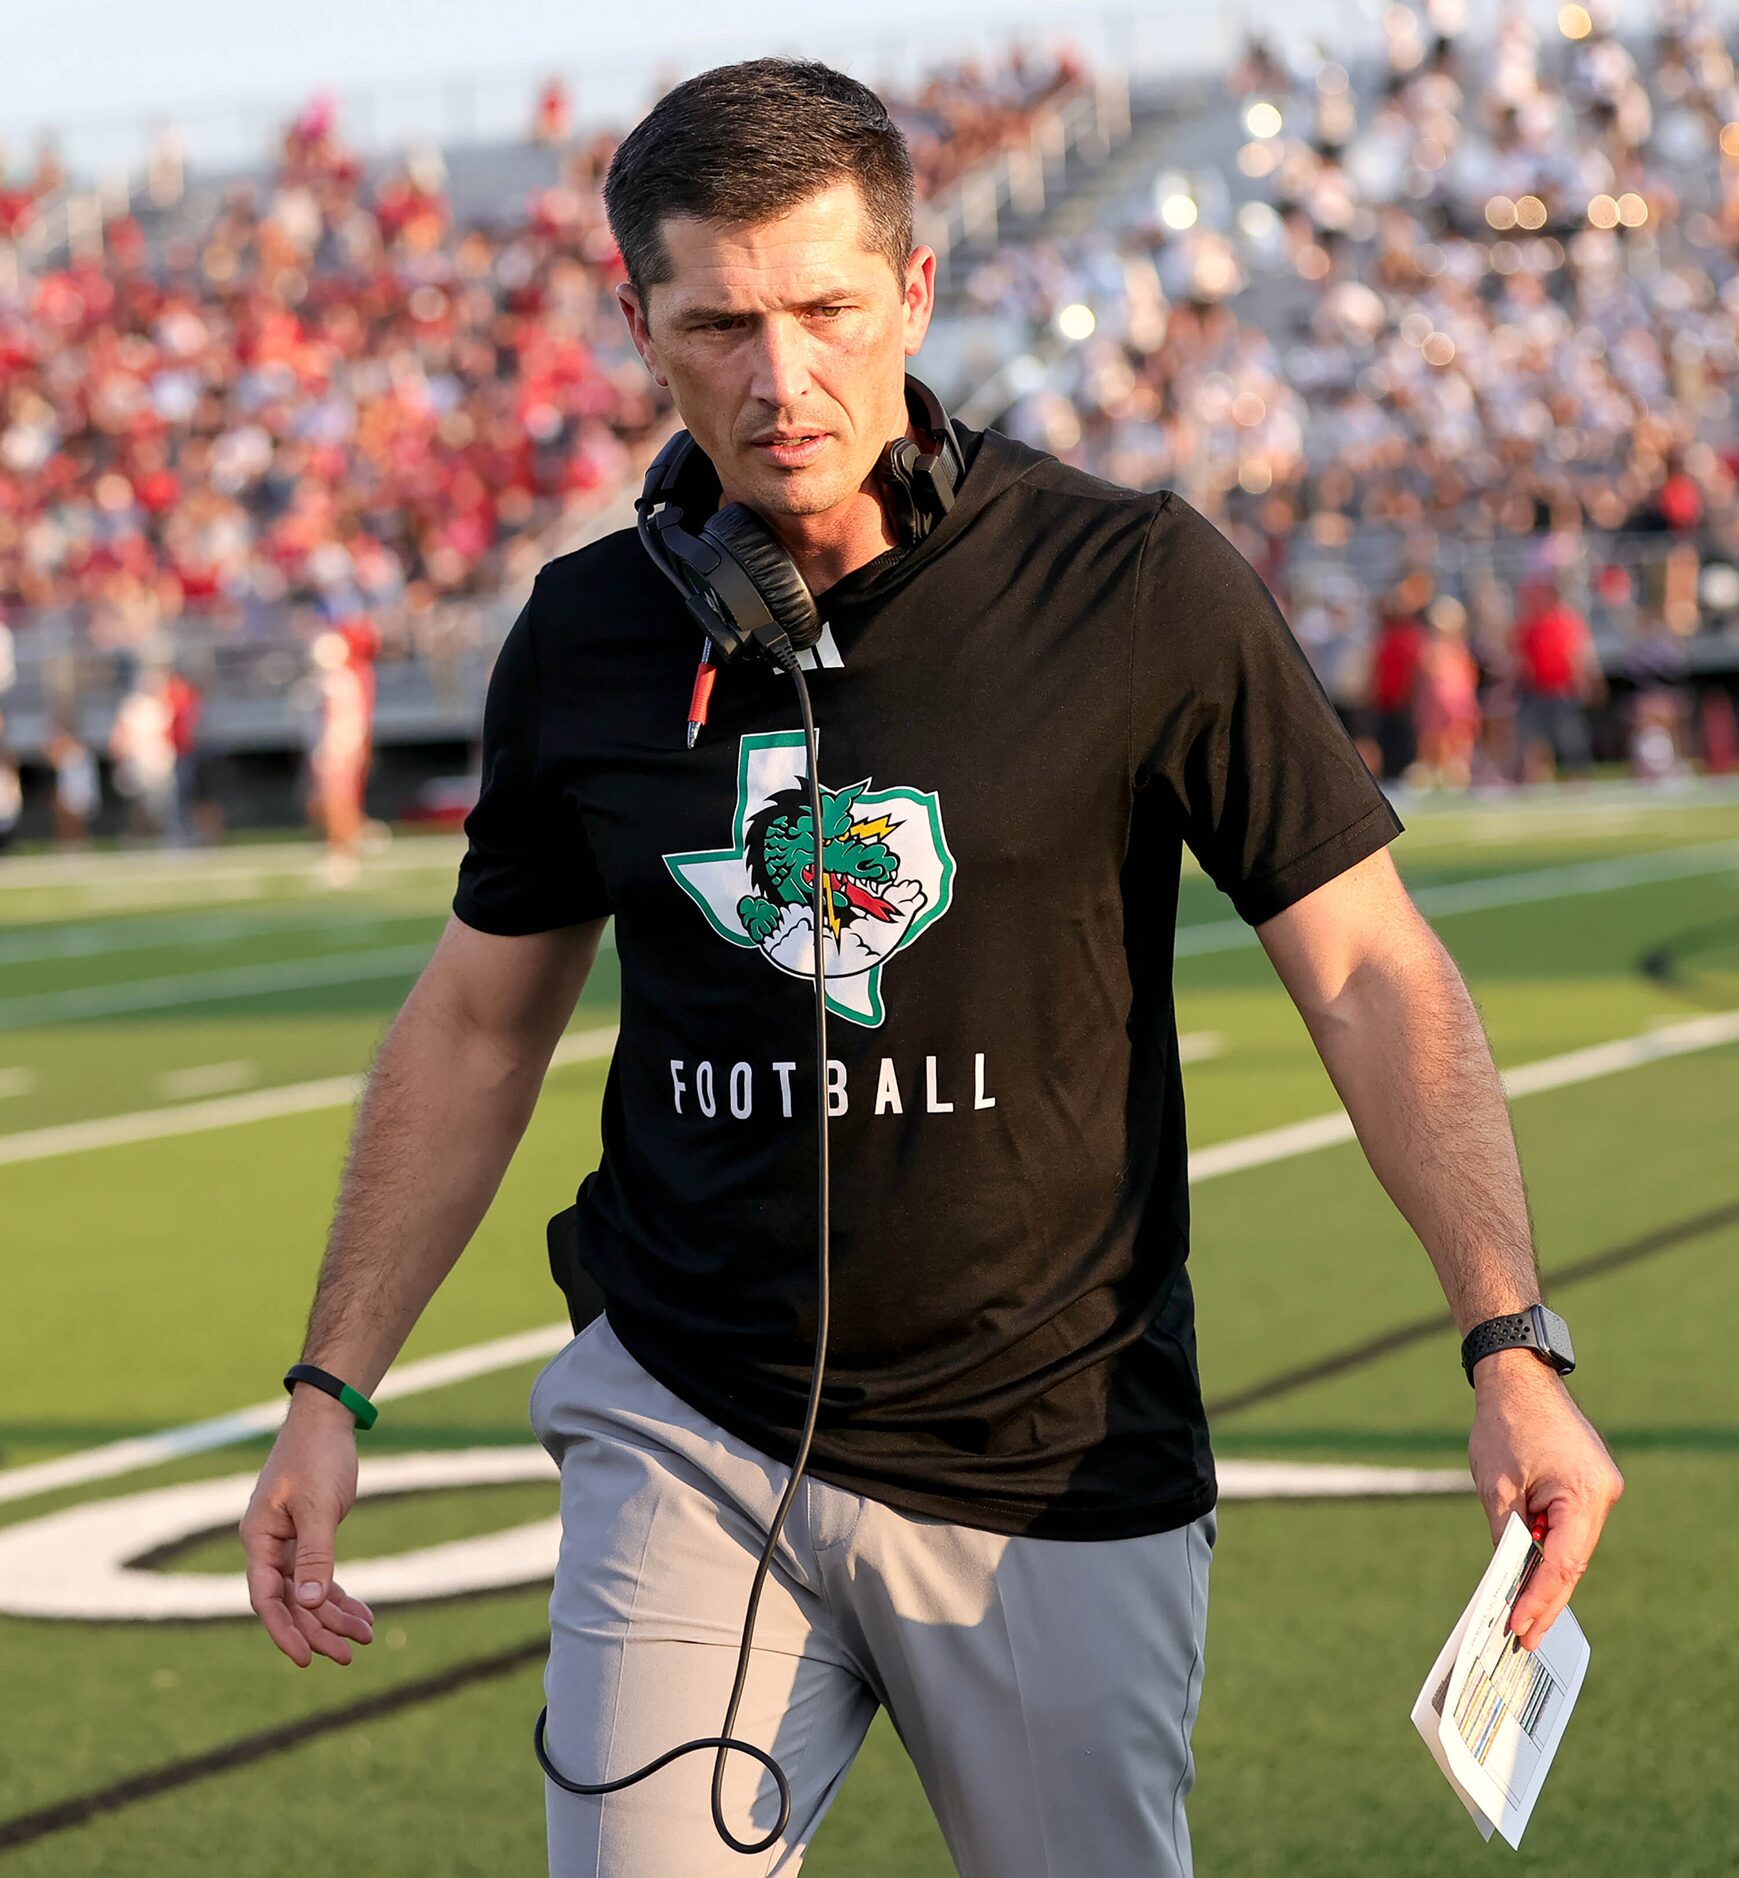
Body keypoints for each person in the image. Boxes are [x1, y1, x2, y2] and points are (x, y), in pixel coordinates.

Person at [241, 59, 1623, 1878]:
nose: (777, 374)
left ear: (914, 290)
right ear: (639, 320)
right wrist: (330, 1387)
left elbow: (1369, 967)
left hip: (1057, 1450)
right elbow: (481, 1023)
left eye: (823, 309)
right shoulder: (585, 630)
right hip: (690, 1420)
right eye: (718, 321)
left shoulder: (1135, 586)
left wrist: (1510, 1339)